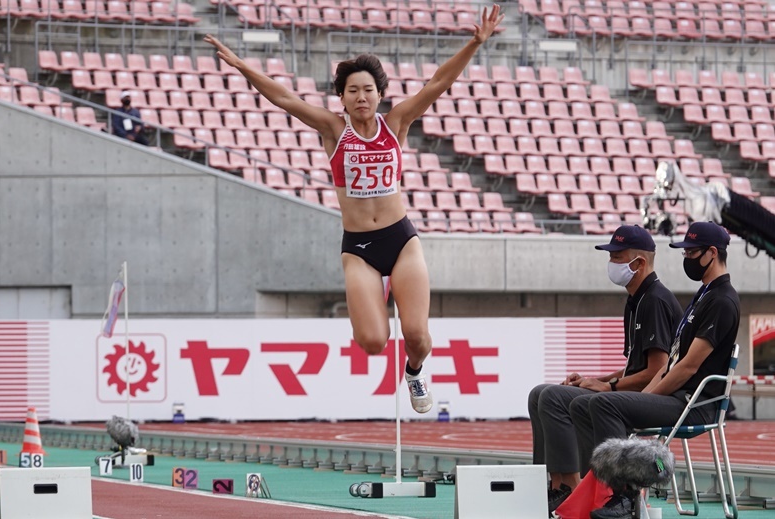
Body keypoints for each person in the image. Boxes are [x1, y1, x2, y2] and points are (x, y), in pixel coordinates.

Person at [204, 6, 504, 413]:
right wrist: (241, 65)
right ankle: (384, 322)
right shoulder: (332, 129)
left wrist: (474, 42)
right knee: (374, 342)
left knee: (415, 333)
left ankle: (415, 371)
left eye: (367, 90)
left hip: (400, 239)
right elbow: (283, 97)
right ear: (341, 97)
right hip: (359, 247)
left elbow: (439, 82)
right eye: (352, 91)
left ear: (379, 93)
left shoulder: (396, 122)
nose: (361, 97)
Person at [572, 221, 740, 519]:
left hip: (695, 404)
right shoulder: (702, 297)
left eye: (691, 253)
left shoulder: (722, 301)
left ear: (712, 253)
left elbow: (688, 367)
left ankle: (622, 498)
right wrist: (639, 398)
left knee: (605, 403)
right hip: (677, 398)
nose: (686, 259)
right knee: (592, 403)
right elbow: (674, 361)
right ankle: (596, 490)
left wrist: (641, 397)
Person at [528, 225, 681, 514]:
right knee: (541, 394)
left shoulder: (656, 301)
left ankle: (575, 487)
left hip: (652, 397)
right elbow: (633, 368)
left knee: (555, 398)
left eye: (617, 256)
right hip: (628, 392)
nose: (612, 263)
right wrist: (592, 379)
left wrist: (607, 388)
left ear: (640, 262)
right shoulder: (635, 300)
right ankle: (555, 482)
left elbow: (657, 372)